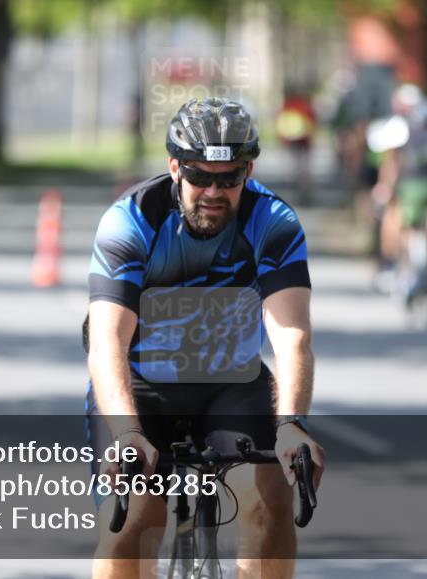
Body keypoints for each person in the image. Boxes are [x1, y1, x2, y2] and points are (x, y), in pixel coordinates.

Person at [85, 97, 325, 578]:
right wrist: (128, 434)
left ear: (248, 170)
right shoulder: (131, 220)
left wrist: (292, 425)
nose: (214, 191)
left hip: (230, 381)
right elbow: (108, 339)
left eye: (229, 178)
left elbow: (291, 334)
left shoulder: (272, 222)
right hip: (141, 383)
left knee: (272, 494)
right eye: (200, 176)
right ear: (175, 167)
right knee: (138, 515)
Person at [369, 84, 427, 292]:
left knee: (405, 224)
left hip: (414, 187)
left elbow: (392, 161)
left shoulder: (404, 131)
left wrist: (385, 188)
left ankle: (404, 271)